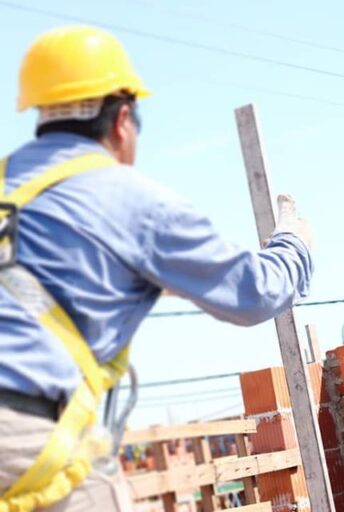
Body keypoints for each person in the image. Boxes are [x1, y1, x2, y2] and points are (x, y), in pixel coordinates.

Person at [0, 25, 313, 511]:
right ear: (122, 120)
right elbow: (254, 292)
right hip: (22, 437)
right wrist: (295, 242)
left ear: (40, 114)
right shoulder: (131, 201)